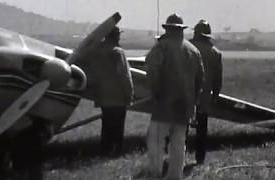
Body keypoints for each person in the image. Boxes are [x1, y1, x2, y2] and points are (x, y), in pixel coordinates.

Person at [145, 13, 204, 179]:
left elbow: (152, 71)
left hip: (164, 104)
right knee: (178, 144)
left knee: (156, 141)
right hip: (185, 106)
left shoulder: (161, 47)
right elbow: (201, 78)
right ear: (182, 30)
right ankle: (175, 176)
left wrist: (156, 93)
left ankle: (155, 174)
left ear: (167, 28)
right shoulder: (194, 50)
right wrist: (193, 100)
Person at [76, 26, 134, 157]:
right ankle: (116, 153)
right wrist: (129, 94)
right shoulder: (118, 52)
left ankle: (105, 151)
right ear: (115, 35)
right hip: (118, 96)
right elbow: (124, 75)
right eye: (118, 34)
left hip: (103, 96)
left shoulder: (97, 51)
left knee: (107, 125)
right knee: (118, 128)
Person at [189, 19, 223, 164]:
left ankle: (178, 156)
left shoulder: (188, 47)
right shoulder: (215, 52)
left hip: (187, 93)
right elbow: (218, 77)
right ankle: (200, 158)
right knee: (202, 128)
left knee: (180, 127)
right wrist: (215, 95)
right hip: (204, 95)